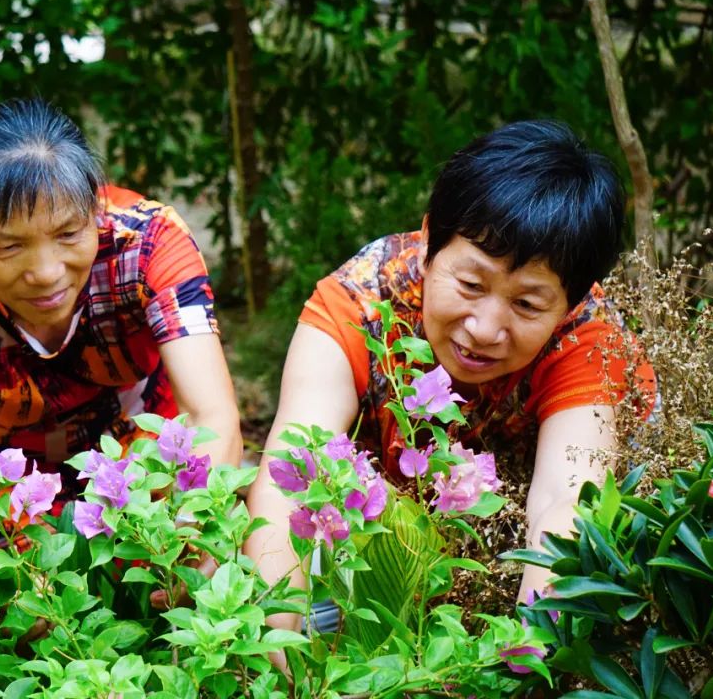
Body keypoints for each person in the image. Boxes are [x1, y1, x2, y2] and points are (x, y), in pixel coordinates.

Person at [245, 120, 656, 629]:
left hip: (511, 562)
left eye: (527, 304)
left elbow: (564, 503)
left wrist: (524, 659)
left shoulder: (591, 342)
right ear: (426, 244)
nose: (484, 330)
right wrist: (272, 655)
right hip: (382, 554)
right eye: (469, 283)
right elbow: (292, 475)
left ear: (570, 304)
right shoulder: (357, 303)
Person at [0, 98, 241, 580]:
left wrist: (187, 535)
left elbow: (213, 417)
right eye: (9, 246)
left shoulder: (152, 244)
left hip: (145, 465)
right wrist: (14, 594)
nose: (47, 273)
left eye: (69, 234)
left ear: (94, 204)